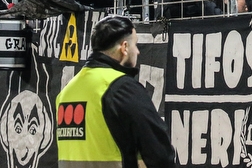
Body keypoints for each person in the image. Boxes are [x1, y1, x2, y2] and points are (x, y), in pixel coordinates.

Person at [55, 15, 175, 168]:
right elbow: (159, 152)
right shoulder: (121, 87)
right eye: (135, 45)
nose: (137, 52)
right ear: (124, 47)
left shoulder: (68, 91)